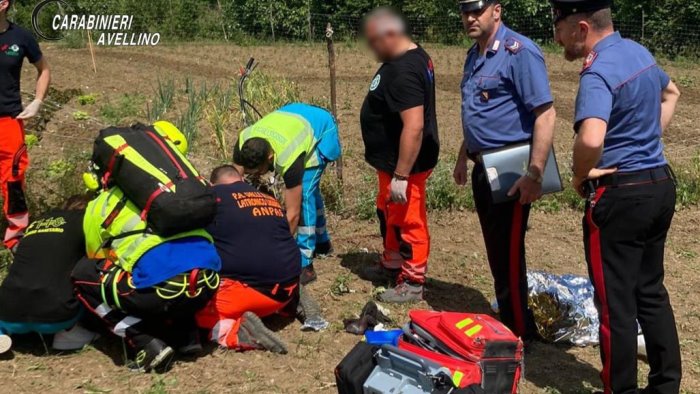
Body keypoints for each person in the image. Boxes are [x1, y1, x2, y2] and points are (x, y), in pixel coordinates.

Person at [551, 0, 682, 392]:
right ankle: (666, 384)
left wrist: (580, 174)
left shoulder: (597, 70)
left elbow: (590, 137)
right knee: (650, 291)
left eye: (559, 27)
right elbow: (671, 92)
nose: (557, 38)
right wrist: (645, 141)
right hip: (659, 184)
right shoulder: (637, 52)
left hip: (621, 195)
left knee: (615, 304)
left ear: (582, 28)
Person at [452, 0, 556, 339]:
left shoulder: (519, 53)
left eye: (476, 11)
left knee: (509, 251)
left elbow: (544, 114)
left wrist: (536, 172)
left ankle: (518, 331)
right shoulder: (474, 54)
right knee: (496, 247)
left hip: (512, 166)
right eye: (465, 12)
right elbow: (478, 112)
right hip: (483, 165)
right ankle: (510, 311)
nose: (469, 18)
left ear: (496, 10)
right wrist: (462, 155)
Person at [73, 186, 221, 373]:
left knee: (83, 274)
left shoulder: (103, 202)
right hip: (207, 284)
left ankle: (145, 342)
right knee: (179, 262)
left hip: (160, 293)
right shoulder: (177, 189)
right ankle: (187, 337)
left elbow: (95, 254)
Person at [359, 7, 440, 303]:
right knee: (390, 210)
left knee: (409, 220)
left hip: (406, 166)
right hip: (392, 163)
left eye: (375, 42)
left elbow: (414, 126)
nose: (372, 49)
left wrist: (402, 176)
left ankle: (413, 280)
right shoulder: (410, 56)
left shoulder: (404, 70)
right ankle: (392, 263)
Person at [195, 165, 300, 353]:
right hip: (289, 284)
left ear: (212, 184)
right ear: (241, 180)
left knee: (188, 309)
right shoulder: (268, 199)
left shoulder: (213, 199)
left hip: (252, 293)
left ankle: (236, 332)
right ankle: (291, 301)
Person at [234, 103, 341, 285]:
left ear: (270, 158)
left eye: (259, 171)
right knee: (309, 192)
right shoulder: (244, 140)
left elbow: (293, 214)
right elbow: (234, 182)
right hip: (293, 116)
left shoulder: (288, 157)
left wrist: (280, 249)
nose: (258, 175)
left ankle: (305, 263)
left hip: (321, 129)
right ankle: (322, 242)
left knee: (306, 193)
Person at [0, 195, 95, 354]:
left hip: (7, 312)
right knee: (88, 270)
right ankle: (69, 333)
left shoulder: (38, 222)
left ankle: (2, 332)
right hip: (56, 316)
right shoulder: (85, 221)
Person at [0, 0, 50, 251]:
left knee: (14, 178)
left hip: (9, 121)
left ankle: (15, 236)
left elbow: (43, 70)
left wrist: (37, 102)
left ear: (3, 4)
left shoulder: (21, 37)